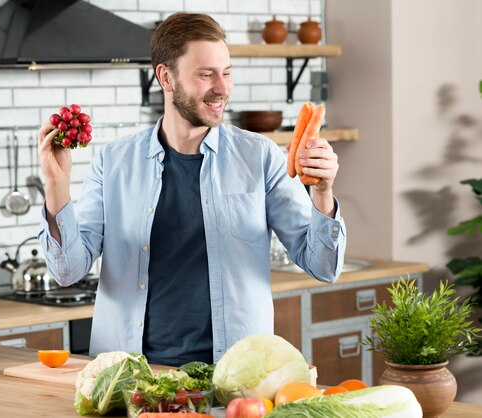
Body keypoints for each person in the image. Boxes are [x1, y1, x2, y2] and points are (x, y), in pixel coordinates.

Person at [37, 12, 346, 366]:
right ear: (166, 77)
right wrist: (56, 186)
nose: (222, 87)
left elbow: (324, 266)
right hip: (131, 377)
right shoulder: (114, 162)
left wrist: (322, 193)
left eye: (227, 73)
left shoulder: (258, 157)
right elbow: (66, 272)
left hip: (232, 378)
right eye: (206, 75)